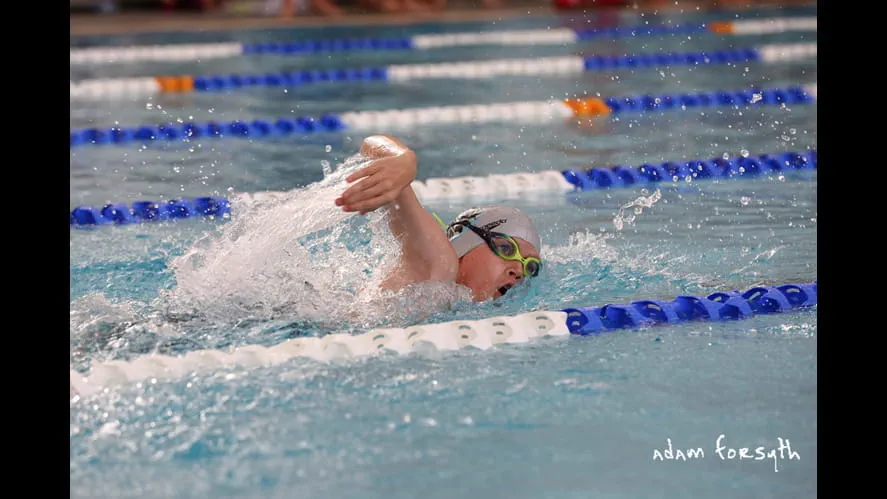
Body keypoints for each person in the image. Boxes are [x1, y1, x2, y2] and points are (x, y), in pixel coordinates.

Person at [335, 135, 542, 302]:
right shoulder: (440, 267)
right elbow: (372, 144)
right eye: (506, 248)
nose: (518, 271)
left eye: (530, 267)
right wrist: (404, 160)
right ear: (465, 242)